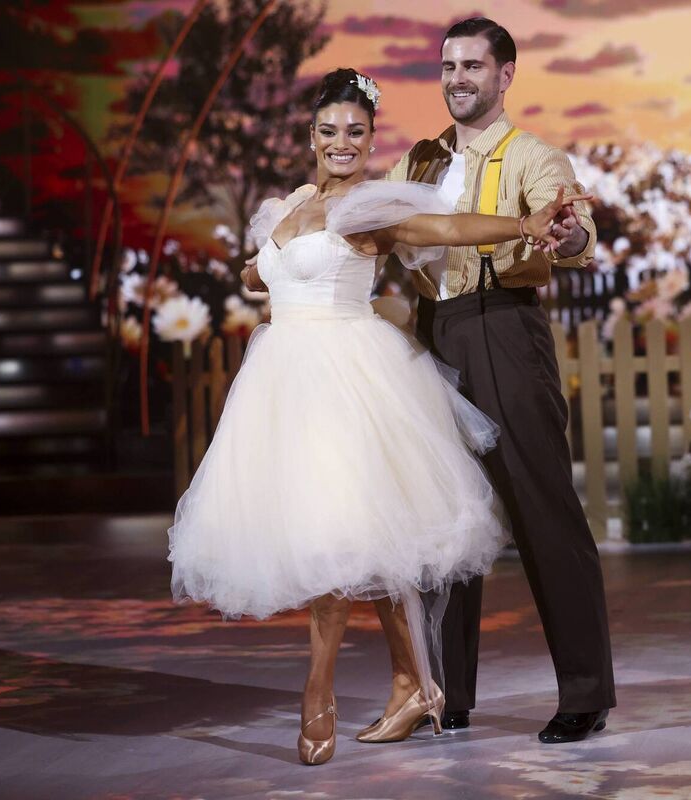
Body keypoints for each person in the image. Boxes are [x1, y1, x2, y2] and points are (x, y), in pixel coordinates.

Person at [169, 67, 589, 766]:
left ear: (370, 140)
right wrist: (256, 268)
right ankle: (415, 684)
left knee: (339, 538)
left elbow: (444, 226)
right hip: (282, 385)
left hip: (346, 378)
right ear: (311, 135)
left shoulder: (368, 206)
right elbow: (260, 272)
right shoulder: (292, 206)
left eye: (356, 133)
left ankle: (319, 690)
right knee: (365, 543)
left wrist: (523, 223)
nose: (342, 143)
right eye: (330, 131)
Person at [383, 17, 617, 744]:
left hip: (502, 329)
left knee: (543, 509)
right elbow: (375, 220)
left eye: (473, 66)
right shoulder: (418, 161)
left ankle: (585, 692)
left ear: (505, 75)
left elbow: (574, 230)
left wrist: (566, 234)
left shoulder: (532, 157)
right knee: (442, 515)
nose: (457, 79)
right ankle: (444, 693)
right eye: (449, 66)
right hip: (431, 331)